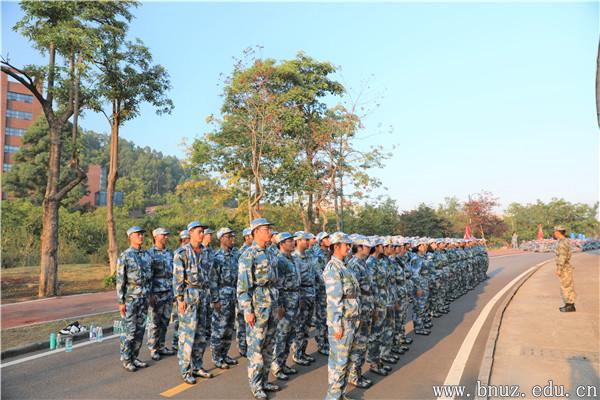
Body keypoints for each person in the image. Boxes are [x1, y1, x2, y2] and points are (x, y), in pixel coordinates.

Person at [237, 218, 284, 399]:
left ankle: (264, 380)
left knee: (269, 345)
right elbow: (243, 288)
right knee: (256, 348)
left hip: (271, 304)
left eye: (270, 229)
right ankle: (256, 385)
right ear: (255, 232)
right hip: (258, 307)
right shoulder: (249, 255)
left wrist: (279, 304)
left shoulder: (271, 253)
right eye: (266, 229)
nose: (270, 232)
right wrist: (247, 310)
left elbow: (276, 281)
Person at [173, 221, 214, 384]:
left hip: (203, 294)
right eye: (198, 231)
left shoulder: (205, 252)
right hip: (189, 295)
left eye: (203, 231)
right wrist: (180, 299)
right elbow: (177, 278)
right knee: (187, 335)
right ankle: (185, 370)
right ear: (190, 233)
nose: (202, 234)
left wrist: (213, 297)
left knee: (201, 334)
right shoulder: (181, 252)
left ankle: (197, 366)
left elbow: (211, 275)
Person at [323, 232, 360, 400]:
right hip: (342, 322)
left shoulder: (345, 266)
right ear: (336, 246)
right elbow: (334, 300)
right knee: (339, 362)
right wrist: (337, 325)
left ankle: (340, 394)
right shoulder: (333, 268)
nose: (349, 247)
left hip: (351, 319)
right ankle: (332, 397)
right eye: (346, 244)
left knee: (348, 360)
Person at [116, 226, 153, 372]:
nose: (141, 237)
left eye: (142, 235)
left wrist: (149, 294)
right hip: (131, 298)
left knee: (140, 330)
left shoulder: (146, 255)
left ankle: (134, 357)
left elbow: (150, 276)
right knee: (129, 331)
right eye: (137, 235)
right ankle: (126, 359)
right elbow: (120, 280)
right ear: (130, 237)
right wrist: (121, 302)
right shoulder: (125, 256)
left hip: (143, 297)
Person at [271, 232, 301, 381]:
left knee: (290, 335)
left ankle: (283, 363)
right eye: (289, 241)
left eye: (292, 241)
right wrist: (280, 305)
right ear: (282, 244)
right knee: (281, 335)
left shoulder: (292, 259)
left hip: (294, 300)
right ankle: (276, 365)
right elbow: (278, 285)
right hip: (285, 302)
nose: (292, 243)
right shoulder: (280, 260)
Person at [209, 227, 240, 369]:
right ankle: (216, 357)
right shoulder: (217, 258)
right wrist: (215, 300)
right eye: (228, 237)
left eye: (232, 236)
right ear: (221, 239)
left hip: (233, 295)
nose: (231, 239)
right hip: (222, 296)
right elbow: (213, 281)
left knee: (229, 328)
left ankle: (224, 354)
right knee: (219, 329)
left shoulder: (235, 256)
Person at [147, 228, 177, 360]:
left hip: (169, 292)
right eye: (163, 235)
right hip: (156, 293)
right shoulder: (149, 254)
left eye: (166, 235)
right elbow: (148, 276)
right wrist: (150, 293)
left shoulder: (170, 252)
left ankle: (162, 346)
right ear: (156, 237)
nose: (166, 237)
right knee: (155, 322)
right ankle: (153, 348)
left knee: (165, 321)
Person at [291, 231, 317, 366]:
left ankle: (303, 351)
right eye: (305, 240)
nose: (308, 242)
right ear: (297, 241)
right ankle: (297, 353)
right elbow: (296, 280)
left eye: (308, 240)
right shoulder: (294, 257)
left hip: (311, 293)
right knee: (299, 326)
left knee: (306, 326)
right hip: (302, 294)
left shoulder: (308, 256)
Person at [312, 232, 331, 355]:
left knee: (328, 318)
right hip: (322, 291)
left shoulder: (329, 253)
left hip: (329, 291)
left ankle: (326, 341)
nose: (328, 239)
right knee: (322, 319)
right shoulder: (318, 256)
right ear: (320, 241)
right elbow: (319, 274)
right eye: (326, 238)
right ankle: (321, 343)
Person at [170, 230, 189, 351]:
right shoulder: (179, 253)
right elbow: (177, 276)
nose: (187, 241)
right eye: (185, 239)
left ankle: (184, 340)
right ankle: (176, 342)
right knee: (179, 318)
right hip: (180, 290)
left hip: (189, 292)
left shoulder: (191, 252)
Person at [236, 227, 253, 357]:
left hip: (253, 292)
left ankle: (247, 346)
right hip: (242, 289)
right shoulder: (242, 252)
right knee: (242, 320)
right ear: (246, 237)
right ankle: (242, 346)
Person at [554, 225, 576, 312]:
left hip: (564, 267)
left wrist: (559, 269)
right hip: (566, 266)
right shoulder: (564, 241)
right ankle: (569, 304)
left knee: (566, 286)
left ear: (558, 232)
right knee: (568, 285)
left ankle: (570, 305)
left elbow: (562, 256)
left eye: (555, 232)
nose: (554, 233)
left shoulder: (562, 242)